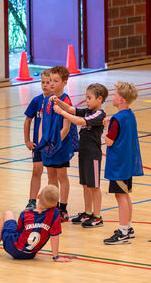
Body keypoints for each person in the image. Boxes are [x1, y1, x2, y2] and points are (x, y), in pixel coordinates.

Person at [51, 83, 108, 228]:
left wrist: (61, 112)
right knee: (85, 185)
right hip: (84, 154)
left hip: (93, 155)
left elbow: (78, 121)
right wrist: (58, 101)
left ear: (99, 99)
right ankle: (88, 212)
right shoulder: (88, 111)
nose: (87, 101)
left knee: (94, 186)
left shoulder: (99, 114)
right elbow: (71, 109)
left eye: (89, 98)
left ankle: (97, 216)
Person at [0, 185, 71, 262]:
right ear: (55, 204)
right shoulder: (55, 213)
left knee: (7, 213)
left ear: (38, 196)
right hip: (30, 254)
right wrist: (56, 257)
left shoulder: (26, 214)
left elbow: (19, 230)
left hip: (13, 247)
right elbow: (55, 236)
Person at [102, 82, 144, 245]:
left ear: (120, 99)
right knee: (125, 196)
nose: (112, 97)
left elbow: (109, 141)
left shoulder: (117, 119)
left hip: (118, 164)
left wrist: (107, 127)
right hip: (127, 163)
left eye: (114, 95)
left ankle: (123, 232)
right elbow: (122, 122)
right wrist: (112, 120)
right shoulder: (129, 114)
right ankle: (128, 227)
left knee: (120, 197)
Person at [36, 66, 78, 222]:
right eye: (50, 80)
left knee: (62, 176)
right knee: (51, 176)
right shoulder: (46, 100)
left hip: (60, 145)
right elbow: (41, 123)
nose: (52, 84)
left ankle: (63, 209)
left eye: (56, 81)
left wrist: (55, 142)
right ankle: (53, 207)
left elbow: (66, 127)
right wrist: (42, 141)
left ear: (64, 82)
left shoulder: (66, 101)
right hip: (48, 145)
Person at [23, 69, 51, 210]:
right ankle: (32, 200)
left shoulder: (57, 101)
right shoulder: (36, 101)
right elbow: (28, 120)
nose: (45, 85)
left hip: (53, 144)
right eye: (43, 82)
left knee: (54, 174)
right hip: (38, 144)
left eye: (48, 82)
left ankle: (54, 202)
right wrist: (27, 140)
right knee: (36, 170)